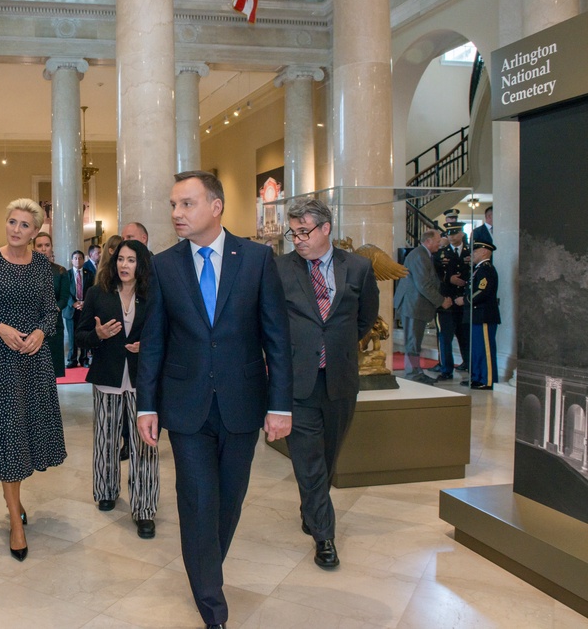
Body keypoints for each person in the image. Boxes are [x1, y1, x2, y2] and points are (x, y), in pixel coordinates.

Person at [137, 170, 292, 629]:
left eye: (186, 204)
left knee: (230, 500)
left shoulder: (258, 260)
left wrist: (280, 405)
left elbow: (277, 339)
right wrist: (147, 405)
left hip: (243, 401)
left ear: (216, 206)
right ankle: (212, 603)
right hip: (185, 406)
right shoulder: (164, 266)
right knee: (198, 499)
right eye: (173, 205)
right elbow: (154, 342)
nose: (176, 214)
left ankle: (206, 566)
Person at [0, 199, 67, 562]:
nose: (16, 229)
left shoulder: (40, 265)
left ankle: (15, 505)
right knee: (8, 437)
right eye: (11, 222)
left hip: (33, 363)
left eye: (24, 225)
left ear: (36, 232)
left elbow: (51, 310)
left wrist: (40, 331)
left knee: (25, 436)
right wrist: (0, 328)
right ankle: (15, 522)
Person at [276, 199, 379, 569]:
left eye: (304, 231)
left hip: (339, 381)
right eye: (293, 232)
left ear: (326, 229)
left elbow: (366, 318)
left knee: (328, 455)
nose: (298, 239)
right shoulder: (280, 269)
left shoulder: (359, 268)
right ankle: (324, 537)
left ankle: (311, 508)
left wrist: (337, 346)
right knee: (310, 462)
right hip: (297, 384)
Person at [76, 239, 160, 538]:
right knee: (105, 438)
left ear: (141, 265)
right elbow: (81, 335)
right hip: (107, 376)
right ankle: (106, 490)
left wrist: (147, 347)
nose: (124, 265)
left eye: (132, 260)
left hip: (142, 380)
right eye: (121, 259)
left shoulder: (152, 296)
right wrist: (97, 334)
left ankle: (145, 509)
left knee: (144, 444)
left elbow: (168, 336)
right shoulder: (98, 293)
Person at [394, 229, 451, 385]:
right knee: (412, 343)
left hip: (415, 306)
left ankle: (416, 372)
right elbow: (423, 284)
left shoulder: (423, 254)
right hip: (413, 306)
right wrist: (441, 301)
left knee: (415, 342)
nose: (440, 244)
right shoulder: (420, 255)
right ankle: (413, 374)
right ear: (428, 241)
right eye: (438, 241)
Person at [434, 223, 470, 380]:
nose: (452, 236)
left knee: (465, 337)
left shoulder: (470, 252)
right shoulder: (441, 254)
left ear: (462, 234)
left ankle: (468, 365)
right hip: (447, 301)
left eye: (455, 233)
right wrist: (449, 279)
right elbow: (434, 275)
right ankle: (446, 369)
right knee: (445, 337)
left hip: (464, 301)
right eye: (449, 233)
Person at [33, 232, 70, 378]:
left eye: (47, 245)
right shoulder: (27, 270)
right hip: (32, 323)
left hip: (54, 323)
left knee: (52, 369)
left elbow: (64, 297)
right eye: (40, 245)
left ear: (51, 248)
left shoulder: (60, 271)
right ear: (34, 248)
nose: (43, 249)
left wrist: (53, 309)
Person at [464, 240, 499, 390]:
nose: (472, 254)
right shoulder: (478, 269)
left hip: (484, 314)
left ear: (485, 252)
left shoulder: (486, 269)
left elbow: (482, 291)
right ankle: (477, 377)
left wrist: (465, 300)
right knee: (477, 349)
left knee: (485, 349)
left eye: (475, 251)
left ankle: (488, 379)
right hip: (477, 314)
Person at [64, 250, 95, 368]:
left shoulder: (89, 274)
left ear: (83, 260)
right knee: (72, 336)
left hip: (84, 309)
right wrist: (73, 303)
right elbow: (64, 292)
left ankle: (84, 359)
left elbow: (92, 291)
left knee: (84, 334)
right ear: (72, 260)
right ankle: (72, 359)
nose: (78, 260)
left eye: (80, 258)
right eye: (75, 258)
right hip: (71, 310)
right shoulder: (66, 275)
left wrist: (84, 303)